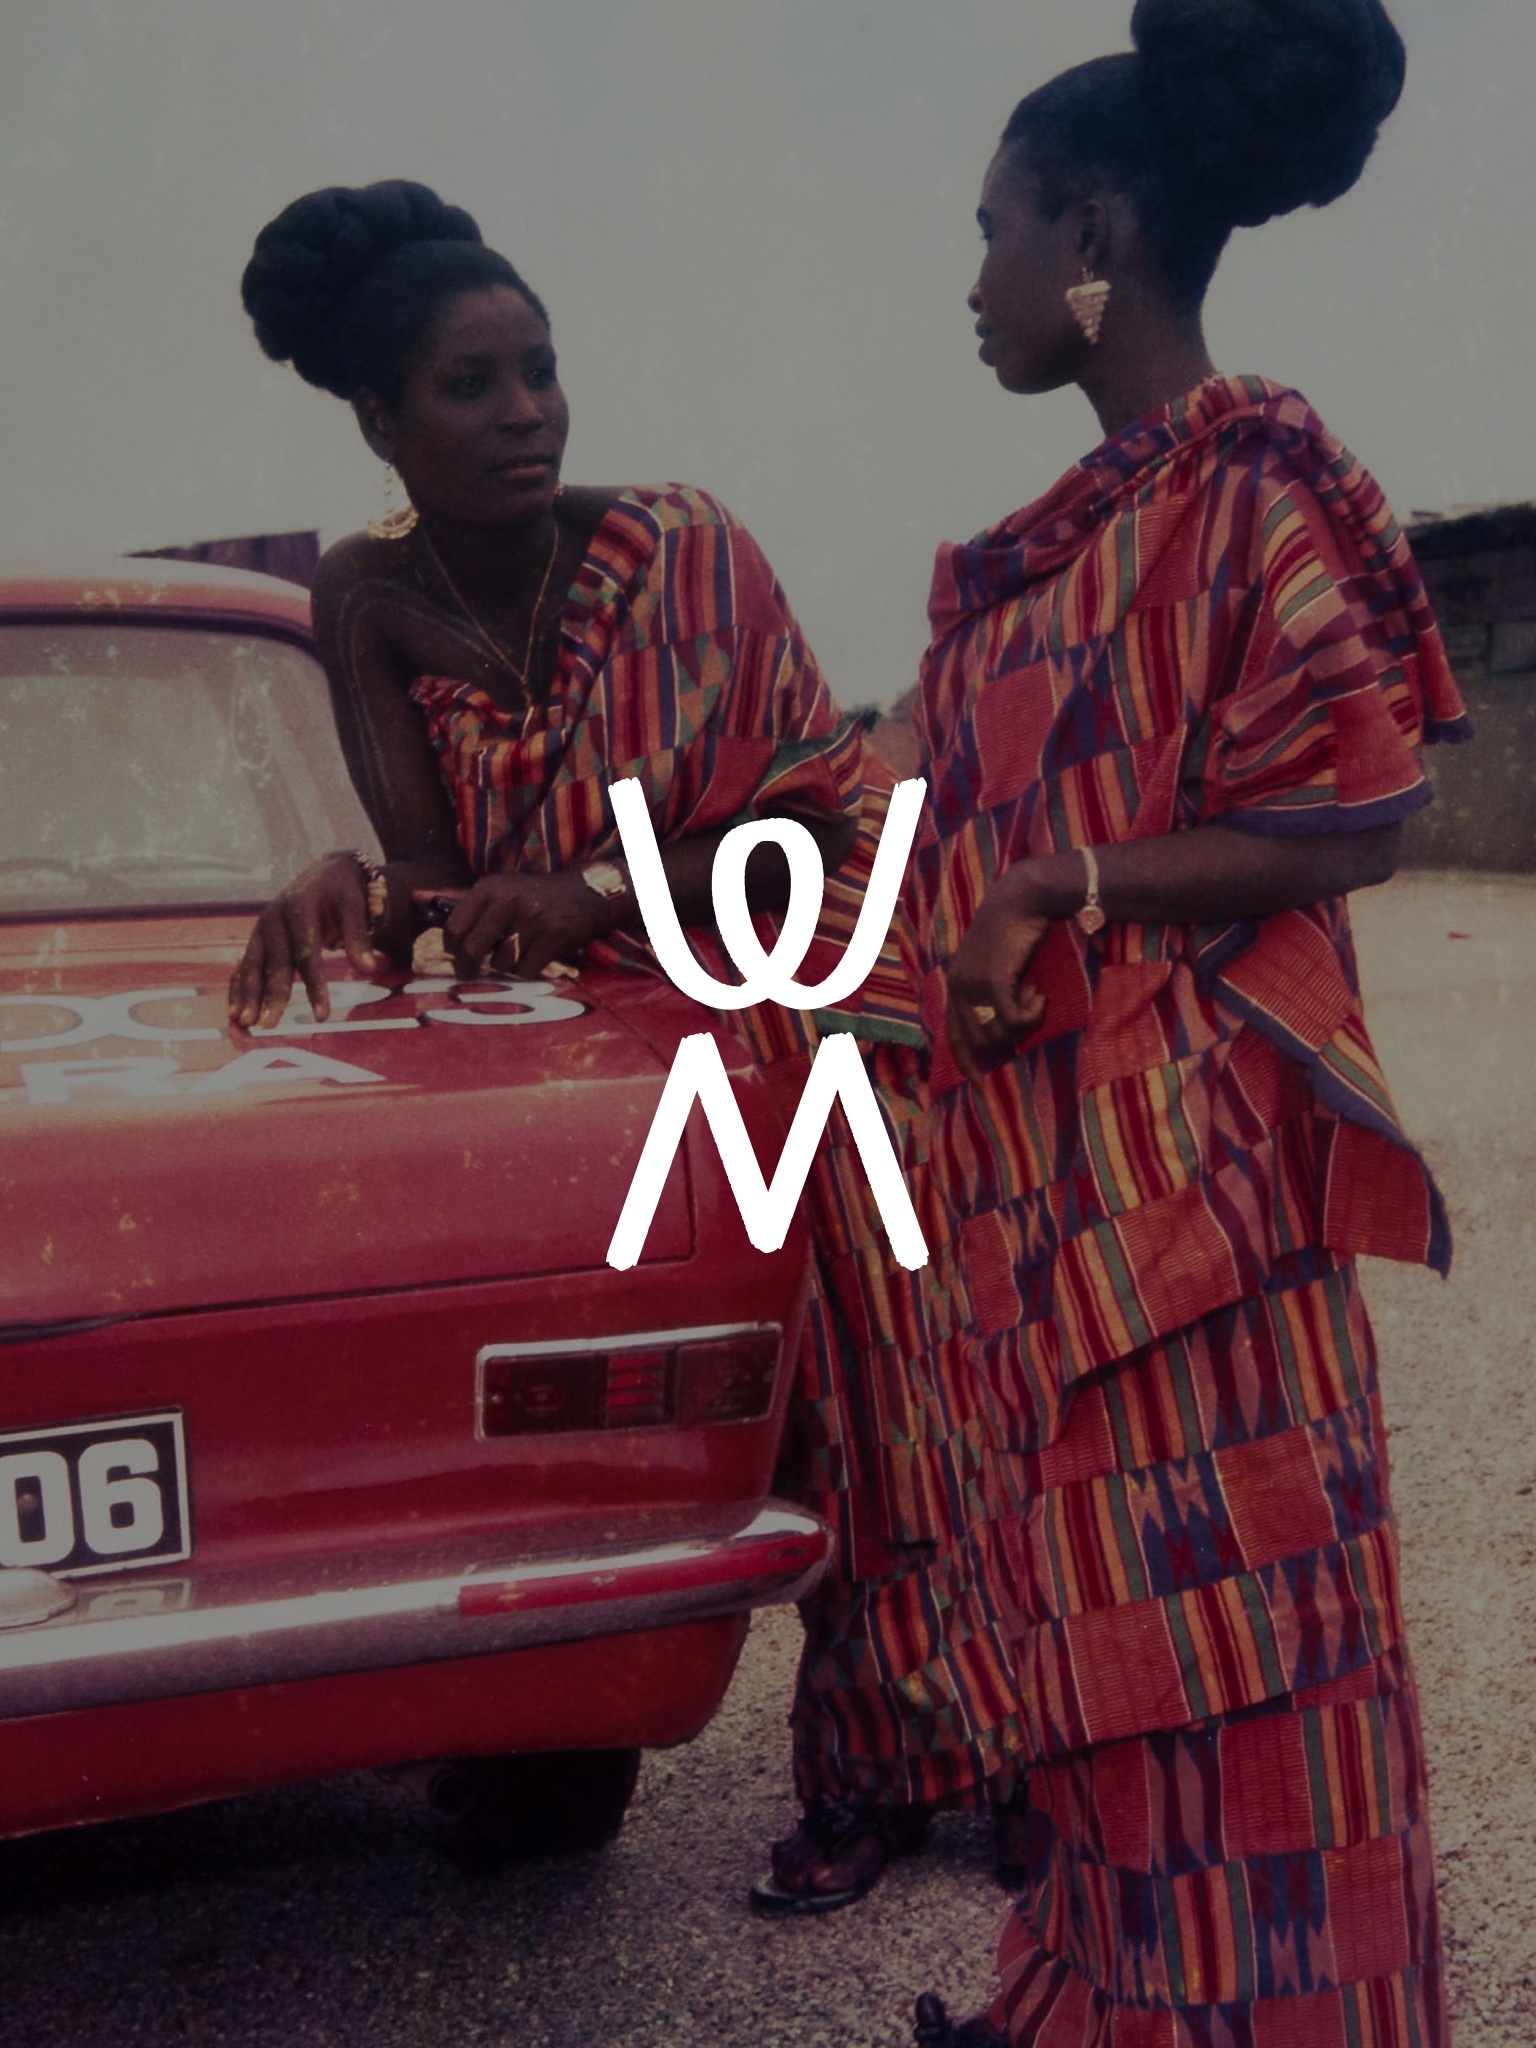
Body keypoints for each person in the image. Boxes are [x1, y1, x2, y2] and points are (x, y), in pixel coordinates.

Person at [227, 182, 1028, 1910]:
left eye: (541, 369)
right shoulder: (362, 592)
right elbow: (438, 872)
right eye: (471, 385)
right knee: (657, 1386)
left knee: (904, 1361)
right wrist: (350, 882)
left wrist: (598, 886)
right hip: (603, 1026)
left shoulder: (685, 548)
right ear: (378, 421)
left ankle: (965, 1751)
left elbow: (816, 823)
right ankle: (727, 1743)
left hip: (800, 969)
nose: (528, 412)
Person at [901, 2, 1465, 2041]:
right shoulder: (1077, 539)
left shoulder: (1245, 485)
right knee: (1098, 1639)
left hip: (1204, 1208)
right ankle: (1102, 2004)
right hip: (1058, 1194)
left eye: (993, 229)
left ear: (1094, 237)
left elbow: (1361, 807)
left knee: (1248, 1643)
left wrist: (1061, 883)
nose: (971, 277)